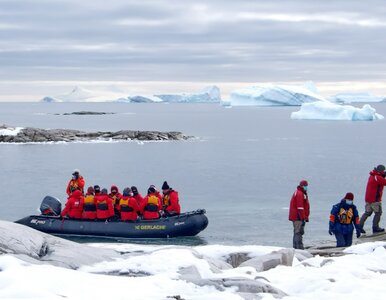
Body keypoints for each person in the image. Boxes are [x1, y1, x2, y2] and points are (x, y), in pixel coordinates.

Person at [359, 164, 386, 234]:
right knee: (378, 213)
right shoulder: (377, 177)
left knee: (367, 213)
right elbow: (384, 182)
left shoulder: (372, 175)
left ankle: (359, 226)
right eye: (383, 171)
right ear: (380, 171)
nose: (384, 172)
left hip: (368, 199)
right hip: (375, 199)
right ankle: (375, 227)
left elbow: (380, 180)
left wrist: (383, 175)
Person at [289, 180, 310, 250]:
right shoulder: (300, 194)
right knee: (298, 232)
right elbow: (300, 207)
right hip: (298, 217)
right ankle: (299, 248)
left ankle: (295, 247)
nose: (306, 187)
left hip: (297, 216)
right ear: (302, 186)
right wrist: (303, 218)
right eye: (305, 186)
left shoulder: (299, 193)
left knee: (296, 232)